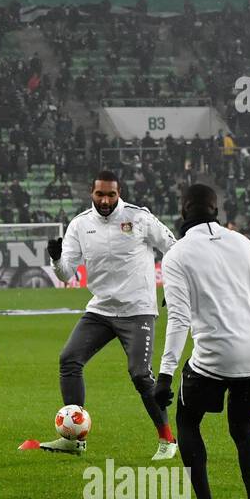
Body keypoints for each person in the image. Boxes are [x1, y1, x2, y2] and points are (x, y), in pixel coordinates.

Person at [154, 184, 250, 499]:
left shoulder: (177, 255)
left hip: (214, 355)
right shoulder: (243, 243)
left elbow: (179, 319)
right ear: (216, 209)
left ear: (183, 211)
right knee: (243, 429)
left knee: (186, 421)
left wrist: (165, 375)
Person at [43, 169, 179, 460]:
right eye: (100, 194)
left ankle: (168, 440)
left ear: (120, 193)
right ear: (91, 194)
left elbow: (174, 249)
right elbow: (67, 274)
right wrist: (56, 259)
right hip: (102, 309)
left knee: (141, 375)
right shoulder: (80, 225)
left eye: (111, 194)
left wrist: (176, 285)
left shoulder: (139, 217)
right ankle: (73, 438)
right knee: (69, 359)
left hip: (138, 310)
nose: (105, 200)